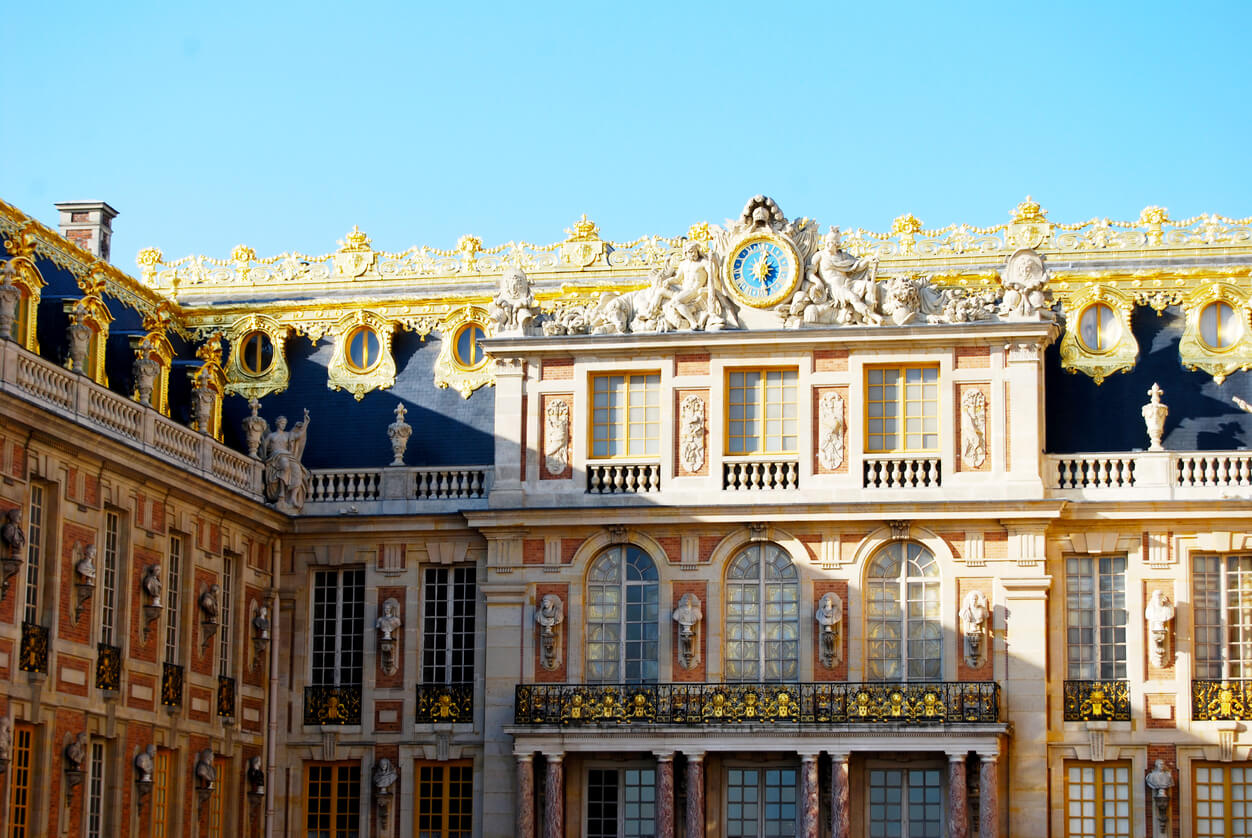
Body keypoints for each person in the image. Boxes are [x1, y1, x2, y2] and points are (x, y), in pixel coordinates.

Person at [260, 409, 311, 512]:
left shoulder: (288, 435)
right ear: (277, 423)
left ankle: (292, 497)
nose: (283, 425)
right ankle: (282, 494)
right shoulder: (271, 436)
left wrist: (306, 422)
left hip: (287, 455)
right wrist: (263, 459)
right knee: (285, 464)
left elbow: (299, 435)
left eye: (284, 423)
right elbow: (263, 447)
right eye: (282, 423)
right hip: (276, 456)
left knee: (297, 470)